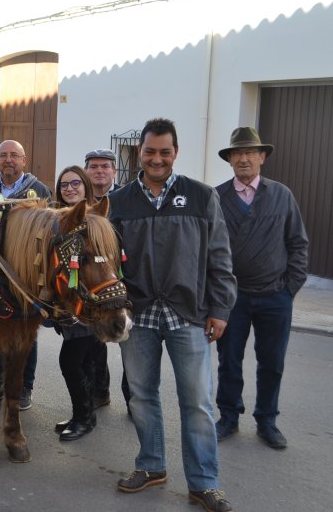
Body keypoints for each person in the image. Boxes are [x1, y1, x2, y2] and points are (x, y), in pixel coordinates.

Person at [108, 118, 236, 512]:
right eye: (150, 151)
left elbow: (219, 256)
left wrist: (220, 308)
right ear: (140, 153)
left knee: (197, 402)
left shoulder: (201, 196)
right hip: (139, 314)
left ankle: (204, 483)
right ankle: (151, 465)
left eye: (165, 152)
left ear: (175, 152)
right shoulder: (119, 201)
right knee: (142, 396)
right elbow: (107, 262)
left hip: (189, 314)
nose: (157, 159)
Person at [214, 127, 309, 450]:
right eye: (237, 153)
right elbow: (208, 249)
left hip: (275, 296)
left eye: (250, 153)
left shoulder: (281, 195)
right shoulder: (217, 197)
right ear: (230, 160)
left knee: (272, 362)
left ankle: (267, 420)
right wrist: (216, 293)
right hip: (232, 298)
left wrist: (289, 289)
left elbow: (298, 244)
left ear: (262, 157)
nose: (243, 158)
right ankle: (228, 416)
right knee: (229, 360)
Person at [0, 140, 51, 410]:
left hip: (26, 276)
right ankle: (0, 382)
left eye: (14, 156)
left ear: (24, 160)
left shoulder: (39, 190)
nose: (8, 160)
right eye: (4, 156)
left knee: (26, 334)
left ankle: (24, 387)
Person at [50, 165, 103, 440]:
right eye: (64, 185)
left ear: (85, 186)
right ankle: (85, 415)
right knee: (85, 361)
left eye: (75, 184)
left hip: (88, 303)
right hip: (70, 304)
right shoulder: (59, 220)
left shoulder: (94, 220)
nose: (69, 189)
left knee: (70, 361)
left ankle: (83, 418)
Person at [83, 148, 129, 411]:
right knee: (94, 344)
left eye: (104, 166)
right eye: (94, 166)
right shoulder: (80, 202)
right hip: (94, 284)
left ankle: (133, 399)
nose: (99, 171)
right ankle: (100, 392)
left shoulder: (125, 199)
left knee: (128, 342)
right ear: (86, 171)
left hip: (122, 280)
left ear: (114, 171)